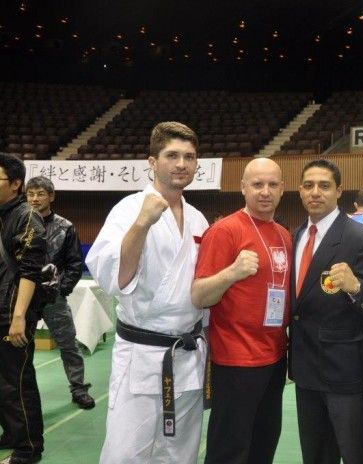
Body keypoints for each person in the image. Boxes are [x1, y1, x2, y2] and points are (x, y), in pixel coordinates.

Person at [85, 122, 209, 464]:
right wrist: (142, 224)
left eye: (189, 157)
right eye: (172, 155)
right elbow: (115, 279)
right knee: (126, 452)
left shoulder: (199, 219)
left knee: (180, 452)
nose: (181, 164)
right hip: (141, 353)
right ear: (152, 162)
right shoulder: (128, 210)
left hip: (187, 353)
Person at [289, 159, 363, 464]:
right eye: (309, 185)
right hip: (305, 370)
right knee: (316, 456)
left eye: (324, 185)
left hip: (344, 372)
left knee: (356, 454)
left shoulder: (362, 239)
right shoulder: (295, 237)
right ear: (300, 191)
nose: (315, 192)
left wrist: (356, 287)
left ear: (339, 191)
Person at [192, 158, 291, 464]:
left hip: (275, 358)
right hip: (236, 359)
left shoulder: (284, 234)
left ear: (282, 188)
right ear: (243, 187)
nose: (265, 192)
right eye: (257, 184)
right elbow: (199, 295)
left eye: (272, 185)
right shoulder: (224, 231)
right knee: (230, 451)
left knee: (264, 445)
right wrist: (232, 273)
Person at [25, 176, 95, 410]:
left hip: (53, 298)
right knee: (20, 348)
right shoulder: (18, 223)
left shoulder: (65, 227)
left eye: (40, 194)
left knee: (68, 345)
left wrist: (61, 289)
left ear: (51, 196)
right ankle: (21, 393)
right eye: (31, 194)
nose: (35, 199)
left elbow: (75, 264)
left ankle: (78, 389)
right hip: (23, 298)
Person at [0, 153, 47, 464]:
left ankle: (28, 448)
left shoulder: (27, 217)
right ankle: (12, 434)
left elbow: (30, 270)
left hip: (12, 314)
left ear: (16, 184)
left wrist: (18, 317)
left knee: (16, 383)